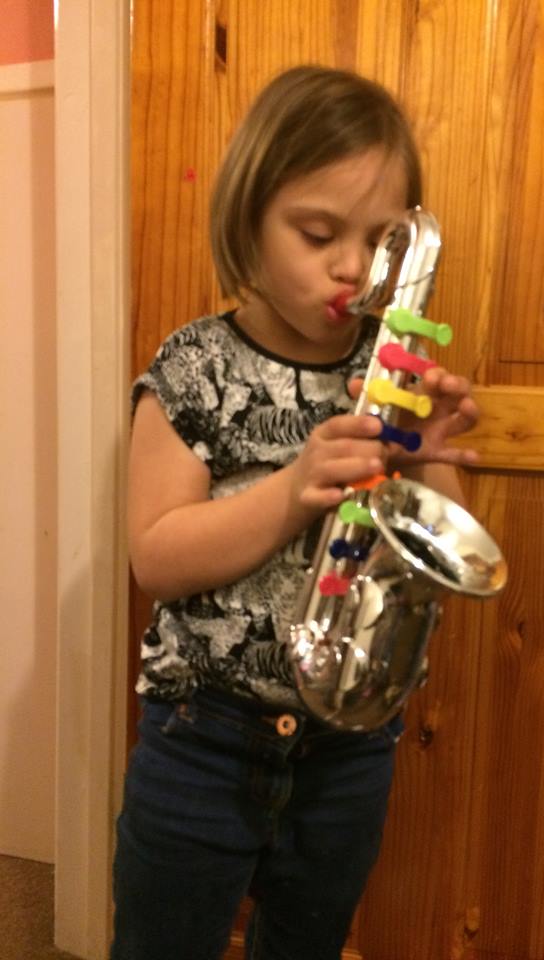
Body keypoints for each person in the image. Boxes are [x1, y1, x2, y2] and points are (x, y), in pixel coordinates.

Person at [111, 64, 480, 960]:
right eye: (318, 234)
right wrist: (289, 491)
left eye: (381, 241)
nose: (352, 267)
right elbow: (155, 556)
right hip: (203, 737)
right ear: (249, 220)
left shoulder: (388, 366)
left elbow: (436, 541)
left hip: (347, 746)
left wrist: (427, 454)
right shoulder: (194, 366)